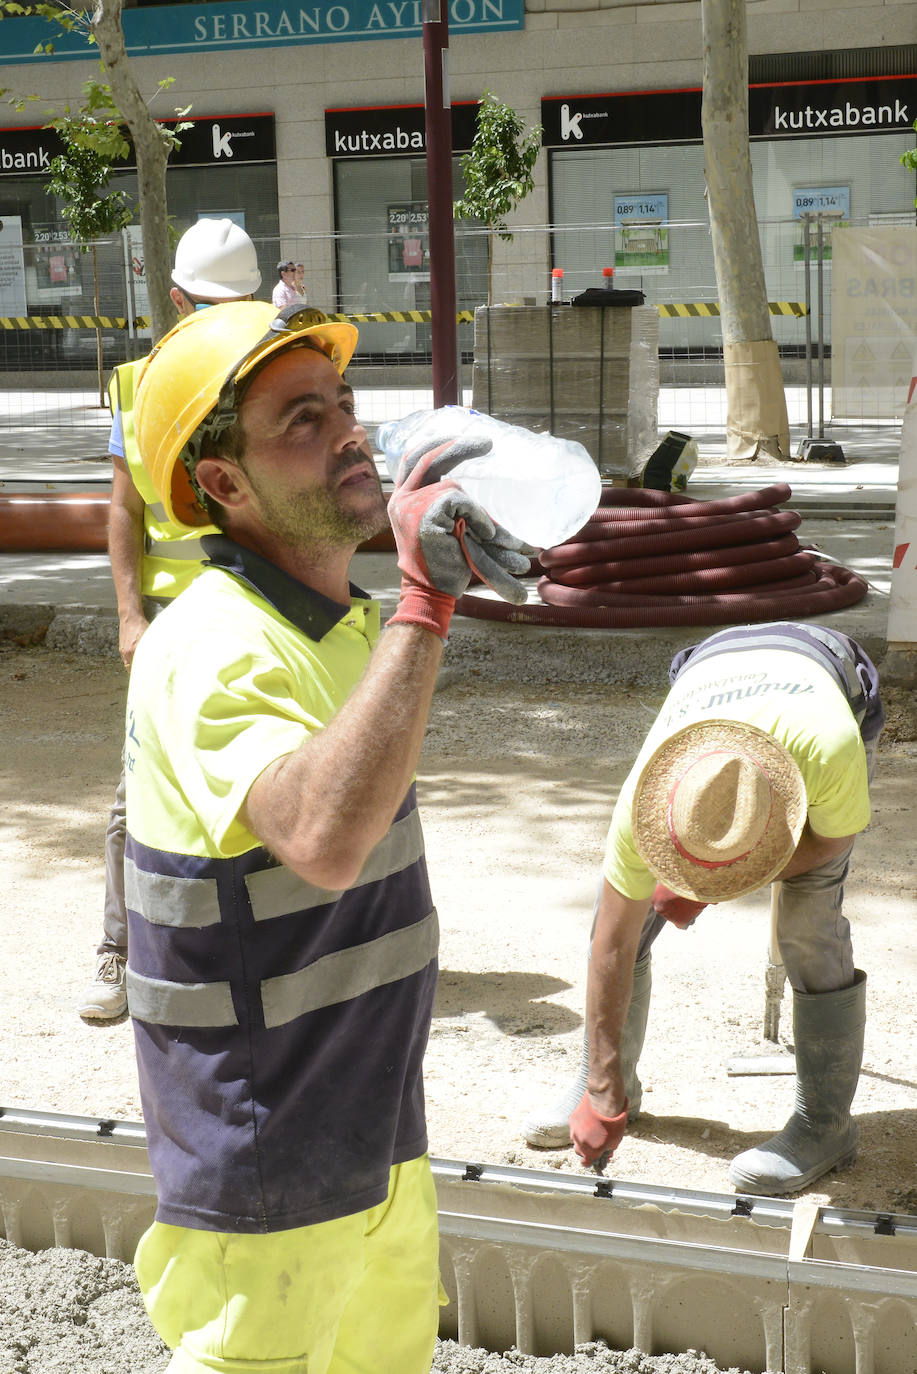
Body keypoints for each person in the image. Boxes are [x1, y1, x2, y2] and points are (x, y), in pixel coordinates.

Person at [121, 300, 530, 1371]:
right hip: (264, 1151)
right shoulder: (208, 645)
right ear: (223, 485)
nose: (349, 431)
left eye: (343, 402)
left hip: (370, 1128)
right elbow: (322, 838)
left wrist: (406, 609)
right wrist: (423, 606)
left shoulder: (339, 627)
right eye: (301, 419)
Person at [523, 621, 884, 1196]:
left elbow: (833, 839)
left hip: (826, 676)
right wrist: (601, 1085)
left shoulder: (828, 749)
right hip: (717, 664)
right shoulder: (642, 808)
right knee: (620, 921)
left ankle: (826, 1124)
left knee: (806, 927)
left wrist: (707, 885)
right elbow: (610, 945)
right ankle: (619, 1085)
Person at [76, 217, 262, 1022]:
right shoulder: (137, 383)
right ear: (180, 299)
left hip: (255, 618)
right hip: (170, 622)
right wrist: (128, 615)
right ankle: (119, 951)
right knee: (137, 793)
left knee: (260, 782)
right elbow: (123, 507)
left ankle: (253, 949)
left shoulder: (272, 377)